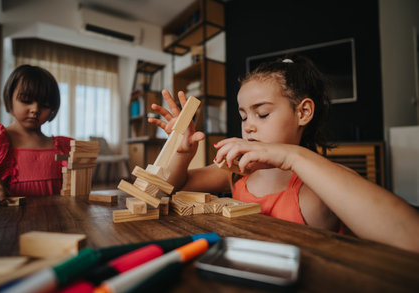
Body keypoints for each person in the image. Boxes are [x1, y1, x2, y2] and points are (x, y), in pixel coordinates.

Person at [149, 55, 419, 253]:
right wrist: (182, 152)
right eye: (243, 116)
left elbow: (409, 237)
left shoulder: (318, 186)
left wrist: (291, 156)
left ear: (303, 112)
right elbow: (170, 188)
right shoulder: (237, 172)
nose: (249, 125)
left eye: (262, 113)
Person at [0, 65, 72, 208]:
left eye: (45, 104)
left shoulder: (62, 147)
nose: (35, 109)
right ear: (10, 98)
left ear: (53, 109)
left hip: (54, 223)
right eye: (26, 100)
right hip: (4, 224)